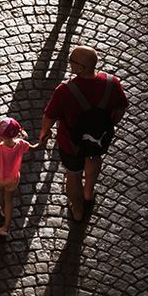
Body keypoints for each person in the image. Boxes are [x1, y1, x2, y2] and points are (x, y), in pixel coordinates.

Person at [36, 45, 127, 222]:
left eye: (72, 61)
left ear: (80, 68)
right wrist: (108, 124)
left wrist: (43, 133)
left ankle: (77, 211)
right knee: (93, 158)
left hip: (71, 143)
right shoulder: (111, 83)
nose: (70, 64)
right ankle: (88, 193)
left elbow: (49, 115)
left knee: (73, 173)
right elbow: (121, 107)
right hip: (99, 139)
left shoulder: (65, 90)